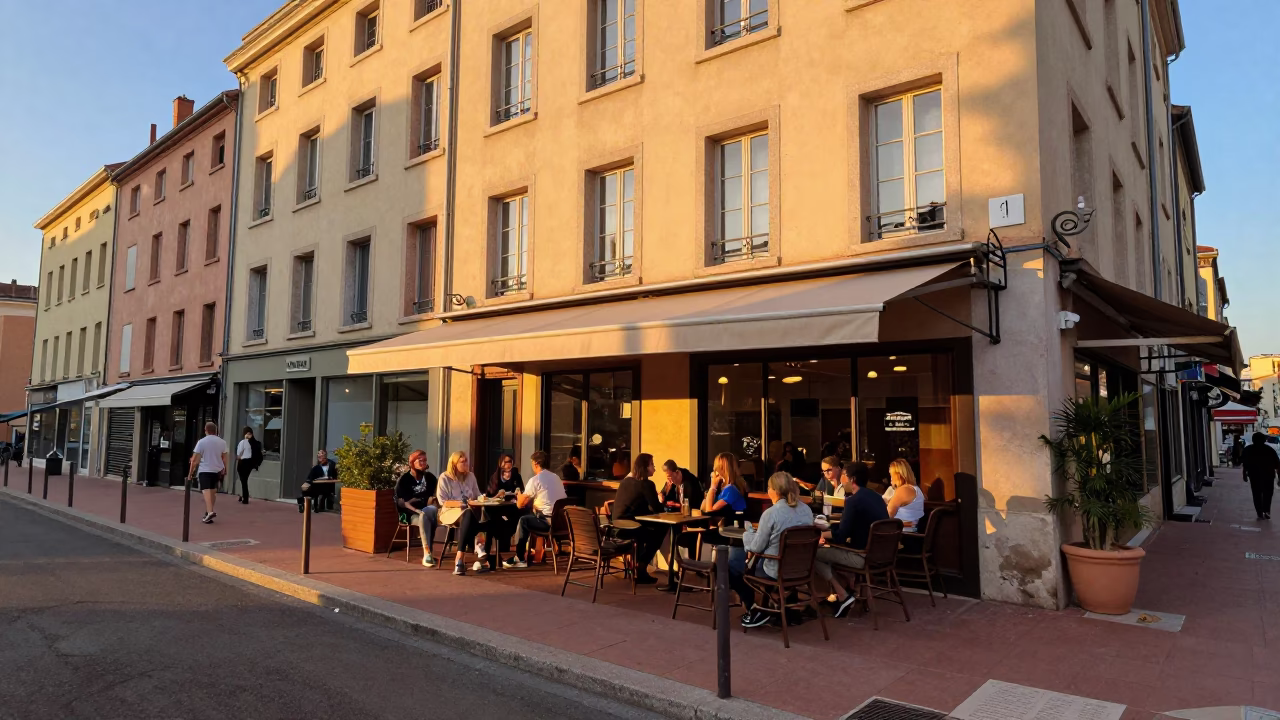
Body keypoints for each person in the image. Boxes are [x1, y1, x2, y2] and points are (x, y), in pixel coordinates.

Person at [735, 472, 815, 629]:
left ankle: (757, 609)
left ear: (775, 491)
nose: (768, 491)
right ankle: (778, 605)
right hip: (801, 569)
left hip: (776, 570)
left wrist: (747, 534)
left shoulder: (771, 513)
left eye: (768, 488)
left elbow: (756, 547)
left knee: (733, 564)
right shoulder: (806, 510)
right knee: (771, 557)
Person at [813, 461, 888, 618]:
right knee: (830, 551)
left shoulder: (853, 501)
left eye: (844, 476)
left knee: (814, 553)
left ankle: (842, 595)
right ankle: (845, 589)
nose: (841, 479)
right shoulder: (877, 497)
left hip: (861, 556)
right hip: (881, 555)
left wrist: (822, 534)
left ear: (852, 479)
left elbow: (840, 536)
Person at [503, 451, 568, 568]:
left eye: (532, 463)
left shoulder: (536, 480)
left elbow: (520, 505)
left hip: (546, 522)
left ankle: (520, 557)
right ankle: (534, 553)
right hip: (561, 522)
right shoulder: (557, 478)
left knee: (523, 520)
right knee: (531, 514)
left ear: (536, 463)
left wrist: (518, 495)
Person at [436, 451, 493, 575]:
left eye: (466, 461)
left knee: (489, 516)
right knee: (469, 513)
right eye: (462, 462)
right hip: (450, 512)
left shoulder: (470, 476)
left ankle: (462, 561)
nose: (466, 464)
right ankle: (475, 548)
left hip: (470, 512)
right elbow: (443, 502)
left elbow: (477, 495)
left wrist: (486, 498)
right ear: (454, 464)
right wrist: (462, 504)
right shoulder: (444, 477)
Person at [611, 453, 664, 583]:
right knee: (661, 530)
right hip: (630, 528)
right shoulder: (646, 484)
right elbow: (657, 509)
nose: (654, 468)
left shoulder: (625, 482)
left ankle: (639, 567)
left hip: (615, 527)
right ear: (645, 467)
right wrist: (662, 501)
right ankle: (641, 566)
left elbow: (638, 507)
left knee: (648, 530)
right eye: (652, 465)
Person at [395, 450, 439, 567]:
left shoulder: (430, 478)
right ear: (412, 463)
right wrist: (417, 511)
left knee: (430, 515)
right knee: (424, 517)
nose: (423, 463)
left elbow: (436, 495)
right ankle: (427, 553)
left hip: (429, 510)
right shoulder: (404, 480)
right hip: (411, 513)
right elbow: (402, 503)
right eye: (420, 461)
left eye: (425, 460)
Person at [481, 453, 524, 555]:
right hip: (496, 507)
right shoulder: (495, 477)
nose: (508, 464)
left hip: (511, 506)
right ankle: (489, 549)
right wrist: (498, 495)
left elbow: (522, 490)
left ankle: (509, 547)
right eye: (506, 462)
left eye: (510, 462)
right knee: (493, 520)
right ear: (500, 463)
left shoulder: (516, 475)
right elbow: (489, 496)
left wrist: (518, 492)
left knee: (518, 516)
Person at [188, 422, 229, 525]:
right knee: (213, 491)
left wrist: (190, 474)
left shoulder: (201, 442)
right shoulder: (222, 442)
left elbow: (194, 460)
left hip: (205, 469)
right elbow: (225, 458)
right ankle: (208, 513)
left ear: (205, 430)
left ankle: (210, 512)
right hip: (217, 470)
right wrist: (225, 468)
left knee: (206, 490)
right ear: (216, 431)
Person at [1241, 432, 1280, 520]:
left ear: (1253, 440)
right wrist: (1279, 477)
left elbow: (1245, 463)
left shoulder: (1248, 449)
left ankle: (1259, 512)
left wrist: (1244, 474)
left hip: (1254, 476)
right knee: (1268, 494)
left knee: (1256, 494)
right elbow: (1277, 464)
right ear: (1264, 440)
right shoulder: (1269, 450)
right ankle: (1266, 510)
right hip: (1268, 476)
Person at [883, 459, 925, 532]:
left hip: (901, 532)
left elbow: (888, 515)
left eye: (891, 475)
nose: (891, 478)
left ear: (898, 475)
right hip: (911, 530)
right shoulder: (916, 489)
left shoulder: (903, 490)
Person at [702, 452, 749, 517]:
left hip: (734, 521)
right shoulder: (723, 488)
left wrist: (713, 487)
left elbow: (710, 512)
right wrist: (710, 491)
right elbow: (703, 508)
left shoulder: (731, 490)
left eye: (716, 468)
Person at [233, 427, 262, 505]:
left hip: (244, 463)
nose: (248, 435)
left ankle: (245, 497)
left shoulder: (244, 442)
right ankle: (243, 496)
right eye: (247, 434)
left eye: (249, 434)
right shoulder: (255, 443)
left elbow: (239, 454)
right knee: (243, 481)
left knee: (243, 481)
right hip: (248, 463)